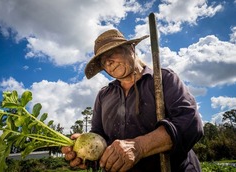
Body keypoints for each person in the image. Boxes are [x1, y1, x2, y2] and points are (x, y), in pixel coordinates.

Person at [62, 29, 203, 172]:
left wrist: (139, 146)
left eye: (111, 54)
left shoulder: (162, 79)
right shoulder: (104, 95)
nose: (108, 63)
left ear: (130, 48)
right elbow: (99, 135)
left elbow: (190, 124)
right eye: (103, 61)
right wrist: (86, 150)